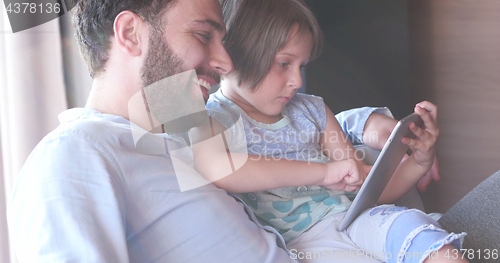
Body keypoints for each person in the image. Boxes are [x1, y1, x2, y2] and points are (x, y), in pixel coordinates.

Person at [5, 0, 413, 262]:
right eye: (203, 35)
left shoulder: (184, 125)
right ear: (130, 34)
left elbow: (292, 127)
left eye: (222, 39)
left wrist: (371, 127)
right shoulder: (74, 155)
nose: (224, 61)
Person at [188, 0, 468, 262]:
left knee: (415, 229)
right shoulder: (215, 118)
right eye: (284, 64)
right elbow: (221, 168)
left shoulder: (312, 111)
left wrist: (420, 162)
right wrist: (323, 172)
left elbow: (366, 190)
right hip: (304, 244)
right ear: (235, 54)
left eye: (302, 66)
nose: (297, 80)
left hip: (358, 219)